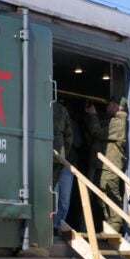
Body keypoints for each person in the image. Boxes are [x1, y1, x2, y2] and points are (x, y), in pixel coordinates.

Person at [85, 95, 128, 232]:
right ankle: (110, 225)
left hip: (110, 165)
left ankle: (114, 225)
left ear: (118, 106)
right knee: (102, 194)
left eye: (109, 104)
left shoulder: (119, 122)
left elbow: (97, 132)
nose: (107, 107)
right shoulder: (111, 121)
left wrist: (93, 115)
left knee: (110, 193)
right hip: (103, 165)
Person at [52, 100, 73, 234]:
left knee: (62, 198)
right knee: (57, 197)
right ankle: (53, 226)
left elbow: (69, 137)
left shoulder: (61, 111)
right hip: (55, 161)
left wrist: (63, 156)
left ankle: (57, 227)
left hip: (62, 162)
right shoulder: (60, 110)